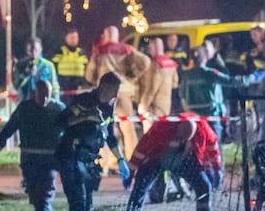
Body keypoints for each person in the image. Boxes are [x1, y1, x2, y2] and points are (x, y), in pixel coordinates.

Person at [56, 71, 131, 211]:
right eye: (115, 89)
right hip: (72, 158)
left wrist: (121, 159)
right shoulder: (83, 101)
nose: (116, 94)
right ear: (104, 86)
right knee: (79, 204)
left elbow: (110, 136)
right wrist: (86, 116)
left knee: (87, 205)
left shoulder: (108, 107)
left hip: (89, 162)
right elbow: (60, 122)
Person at [0, 79, 65, 211]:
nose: (44, 99)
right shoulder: (25, 109)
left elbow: (70, 133)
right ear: (34, 93)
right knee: (36, 198)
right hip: (29, 162)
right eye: (41, 95)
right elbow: (8, 130)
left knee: (43, 197)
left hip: (50, 162)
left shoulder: (58, 109)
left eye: (47, 96)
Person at [122, 115, 222, 211]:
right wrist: (131, 172)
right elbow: (141, 149)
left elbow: (212, 146)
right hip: (157, 158)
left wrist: (216, 169)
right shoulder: (161, 129)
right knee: (140, 187)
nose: (182, 140)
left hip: (185, 159)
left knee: (204, 186)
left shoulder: (203, 130)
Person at [84, 25, 150, 162]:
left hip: (105, 94)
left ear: (106, 35)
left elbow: (89, 75)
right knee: (128, 128)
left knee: (104, 126)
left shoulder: (99, 50)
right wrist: (132, 76)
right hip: (124, 91)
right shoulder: (126, 49)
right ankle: (133, 159)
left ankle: (103, 162)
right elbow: (145, 61)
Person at [179, 43, 261, 139]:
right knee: (214, 148)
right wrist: (252, 77)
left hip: (194, 118)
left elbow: (182, 95)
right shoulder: (210, 73)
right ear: (205, 58)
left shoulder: (186, 76)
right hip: (211, 116)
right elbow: (231, 81)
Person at [137, 37, 179, 132]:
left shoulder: (155, 65)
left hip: (154, 107)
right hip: (166, 106)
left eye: (150, 48)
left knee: (150, 134)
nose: (149, 50)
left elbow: (151, 89)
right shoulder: (171, 64)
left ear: (156, 48)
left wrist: (143, 105)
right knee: (163, 133)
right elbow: (175, 84)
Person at [11, 37, 57, 103]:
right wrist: (26, 74)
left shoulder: (48, 65)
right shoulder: (20, 65)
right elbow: (16, 85)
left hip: (44, 103)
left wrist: (56, 102)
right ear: (27, 50)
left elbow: (54, 86)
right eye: (30, 50)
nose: (33, 53)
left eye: (36, 49)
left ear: (41, 49)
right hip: (26, 102)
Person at [52, 28, 88, 95]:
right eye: (71, 37)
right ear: (66, 38)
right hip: (64, 84)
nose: (74, 39)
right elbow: (54, 66)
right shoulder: (60, 51)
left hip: (78, 84)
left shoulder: (81, 52)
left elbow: (87, 68)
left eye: (76, 37)